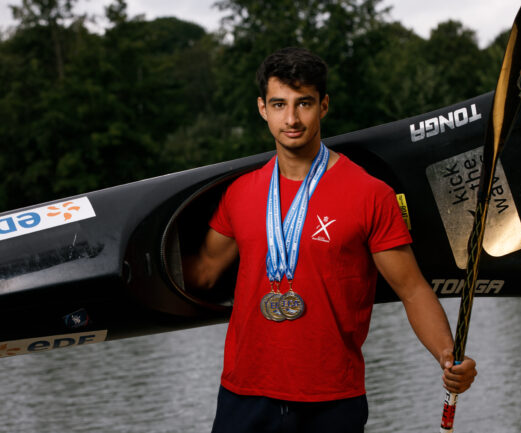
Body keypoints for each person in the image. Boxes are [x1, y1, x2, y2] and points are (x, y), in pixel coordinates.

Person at [183, 47, 477, 433]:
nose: (291, 118)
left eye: (303, 103)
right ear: (262, 108)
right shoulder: (239, 193)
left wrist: (446, 355)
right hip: (244, 396)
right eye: (279, 104)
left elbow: (412, 290)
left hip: (332, 402)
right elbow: (202, 273)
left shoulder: (370, 194)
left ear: (323, 105)